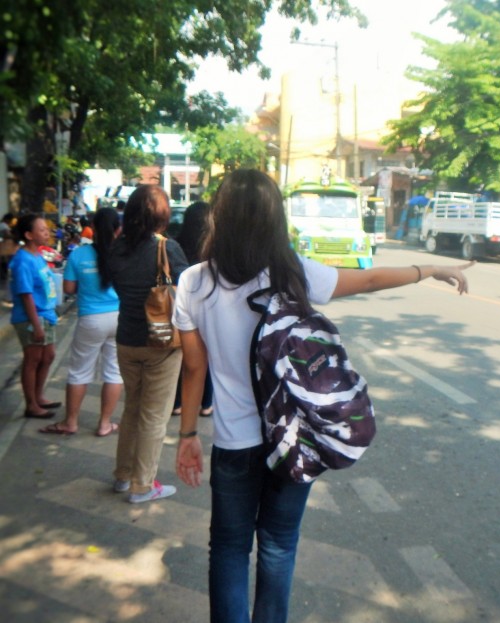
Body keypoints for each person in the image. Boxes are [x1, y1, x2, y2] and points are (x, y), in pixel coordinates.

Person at [173, 169, 473, 623]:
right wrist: (429, 269)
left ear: (220, 216)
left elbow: (194, 367)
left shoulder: (194, 282)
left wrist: (188, 434)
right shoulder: (294, 274)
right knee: (277, 545)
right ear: (276, 219)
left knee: (229, 549)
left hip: (234, 445)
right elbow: (369, 280)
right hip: (294, 440)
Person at [108, 185, 188, 503]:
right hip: (161, 343)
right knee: (154, 415)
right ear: (162, 213)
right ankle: (143, 485)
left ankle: (122, 476)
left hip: (126, 339)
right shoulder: (167, 248)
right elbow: (186, 293)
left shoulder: (116, 248)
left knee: (132, 409)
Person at [39, 208, 123, 436]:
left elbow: (68, 289)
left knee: (79, 372)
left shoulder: (78, 254)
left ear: (92, 228)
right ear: (118, 229)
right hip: (119, 319)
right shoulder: (124, 253)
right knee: (114, 372)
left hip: (90, 319)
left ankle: (71, 422)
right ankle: (105, 424)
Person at [9, 214, 60, 419]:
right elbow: (26, 295)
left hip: (46, 315)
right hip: (32, 317)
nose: (46, 232)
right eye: (41, 229)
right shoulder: (22, 260)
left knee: (48, 356)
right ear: (29, 235)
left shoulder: (37, 255)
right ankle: (31, 405)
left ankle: (38, 397)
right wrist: (36, 326)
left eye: (46, 228)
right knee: (33, 359)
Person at [171, 201, 214, 417]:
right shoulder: (215, 245)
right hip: (210, 306)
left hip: (183, 305)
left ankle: (178, 403)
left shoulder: (176, 243)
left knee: (184, 356)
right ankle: (206, 404)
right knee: (208, 355)